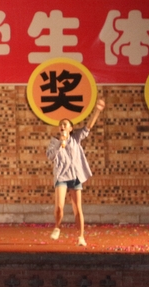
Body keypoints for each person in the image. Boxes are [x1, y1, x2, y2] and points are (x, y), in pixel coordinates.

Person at [46, 98, 105, 247]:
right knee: (59, 206)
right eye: (60, 124)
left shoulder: (76, 138)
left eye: (65, 124)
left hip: (75, 176)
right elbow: (50, 156)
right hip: (61, 176)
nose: (62, 126)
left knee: (77, 208)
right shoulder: (54, 141)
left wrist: (97, 111)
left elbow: (89, 126)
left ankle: (81, 237)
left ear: (71, 128)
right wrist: (60, 143)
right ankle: (57, 227)